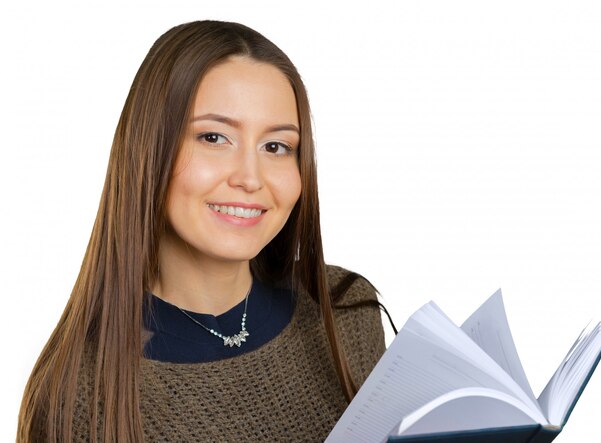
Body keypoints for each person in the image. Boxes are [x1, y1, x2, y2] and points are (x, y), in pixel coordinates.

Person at [17, 20, 387, 442]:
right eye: (214, 137)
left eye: (276, 146)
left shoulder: (345, 309)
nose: (251, 178)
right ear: (150, 148)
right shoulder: (79, 396)